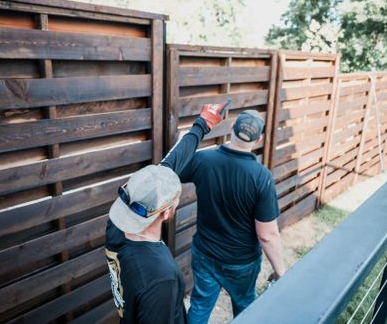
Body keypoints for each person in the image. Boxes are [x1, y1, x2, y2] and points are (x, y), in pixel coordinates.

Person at [104, 102, 229, 324]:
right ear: (167, 213)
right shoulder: (161, 278)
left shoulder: (119, 220)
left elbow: (172, 163)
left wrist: (203, 123)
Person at [180, 110, 286, 324]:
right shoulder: (261, 177)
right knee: (245, 307)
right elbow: (267, 235)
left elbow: (177, 167)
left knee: (200, 306)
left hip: (204, 254)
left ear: (231, 129)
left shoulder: (203, 160)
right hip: (241, 263)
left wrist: (186, 137)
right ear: (259, 139)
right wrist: (281, 272)